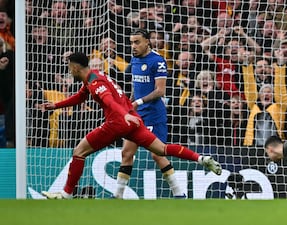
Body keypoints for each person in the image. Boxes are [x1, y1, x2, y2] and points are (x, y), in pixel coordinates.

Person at [39, 52, 222, 199]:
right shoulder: (95, 75)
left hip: (118, 122)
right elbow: (80, 97)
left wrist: (124, 114)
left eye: (69, 67)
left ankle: (66, 193)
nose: (69, 71)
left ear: (75, 67)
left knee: (79, 152)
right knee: (162, 149)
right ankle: (201, 159)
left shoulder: (95, 82)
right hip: (134, 120)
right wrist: (56, 105)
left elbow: (109, 101)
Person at [115, 29, 185, 199]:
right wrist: (129, 105)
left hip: (154, 115)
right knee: (126, 153)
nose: (133, 46)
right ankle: (117, 196)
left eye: (137, 42)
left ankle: (179, 194)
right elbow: (135, 86)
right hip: (137, 115)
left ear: (147, 41)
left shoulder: (158, 61)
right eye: (131, 42)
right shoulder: (134, 60)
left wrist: (138, 102)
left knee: (157, 154)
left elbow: (160, 91)